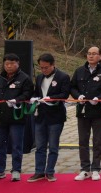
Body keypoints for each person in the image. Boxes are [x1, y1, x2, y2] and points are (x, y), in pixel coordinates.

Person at [70, 46, 101, 181]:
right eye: (89, 54)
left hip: (99, 111)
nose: (91, 56)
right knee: (83, 140)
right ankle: (84, 169)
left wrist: (100, 98)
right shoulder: (79, 71)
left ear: (100, 56)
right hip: (83, 111)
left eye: (94, 54)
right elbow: (72, 87)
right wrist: (78, 96)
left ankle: (95, 168)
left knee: (98, 141)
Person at [0, 54, 34, 182]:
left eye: (12, 64)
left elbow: (28, 93)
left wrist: (17, 100)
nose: (9, 66)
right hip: (0, 116)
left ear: (18, 64)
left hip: (16, 116)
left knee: (16, 145)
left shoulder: (24, 78)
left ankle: (16, 170)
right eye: (7, 64)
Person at [28, 53, 71, 182]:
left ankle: (50, 171)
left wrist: (51, 98)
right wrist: (34, 98)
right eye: (41, 67)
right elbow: (37, 92)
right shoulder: (40, 77)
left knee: (53, 146)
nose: (43, 70)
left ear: (53, 65)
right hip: (40, 115)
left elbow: (64, 94)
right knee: (40, 146)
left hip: (55, 116)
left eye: (46, 67)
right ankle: (39, 171)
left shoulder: (63, 76)